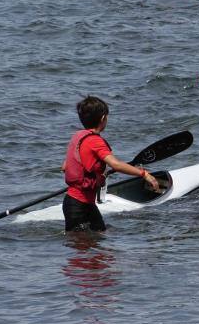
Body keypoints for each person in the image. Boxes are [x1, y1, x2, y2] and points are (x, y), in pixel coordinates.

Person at [61, 96, 160, 232]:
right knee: (86, 249)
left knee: (99, 242)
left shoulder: (77, 137)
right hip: (79, 207)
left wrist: (95, 174)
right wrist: (144, 174)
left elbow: (65, 167)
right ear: (103, 119)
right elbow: (116, 165)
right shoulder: (95, 141)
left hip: (76, 203)